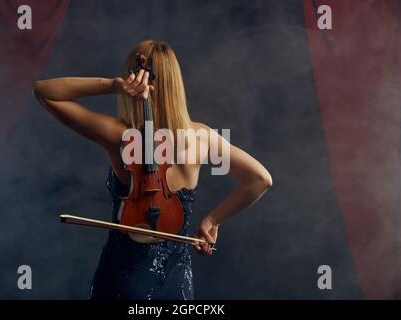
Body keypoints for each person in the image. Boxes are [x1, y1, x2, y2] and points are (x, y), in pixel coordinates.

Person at [33, 40, 272, 300]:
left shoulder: (121, 137)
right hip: (177, 280)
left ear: (133, 78)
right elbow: (259, 179)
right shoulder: (201, 138)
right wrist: (212, 220)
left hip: (124, 276)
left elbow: (45, 91)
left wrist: (113, 86)